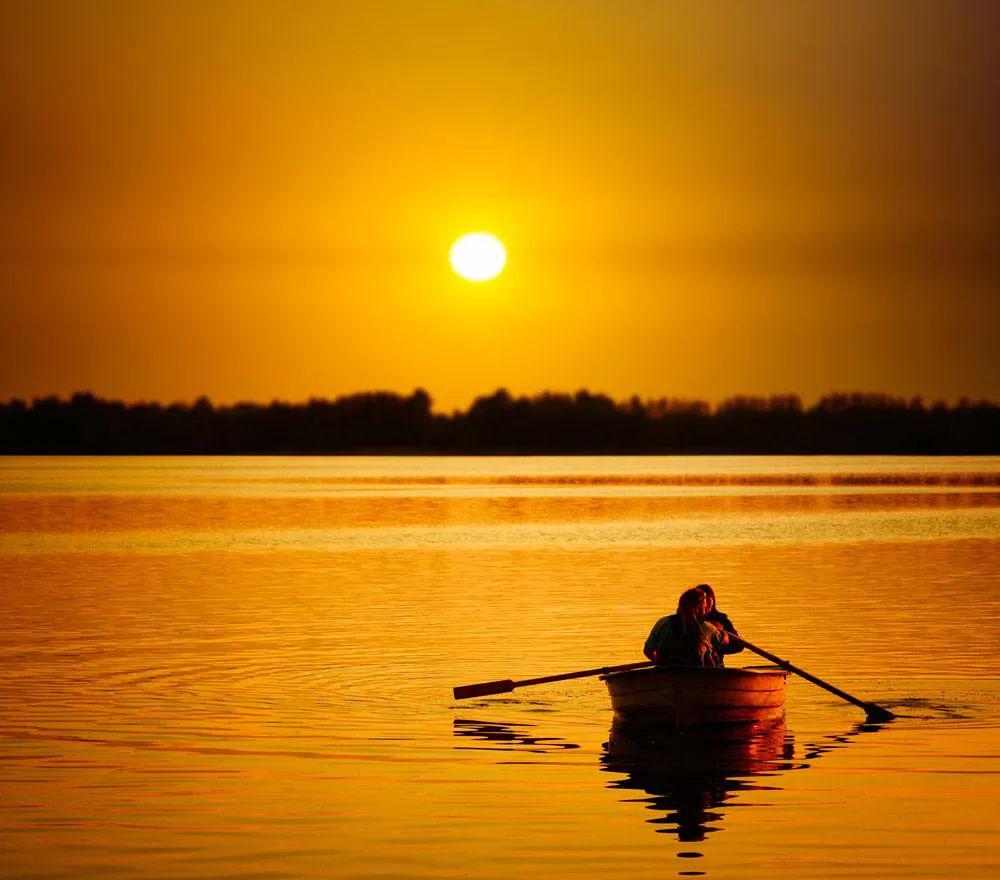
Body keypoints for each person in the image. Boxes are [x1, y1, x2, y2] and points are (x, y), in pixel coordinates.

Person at [643, 587, 728, 668]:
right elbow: (711, 664)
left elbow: (647, 651)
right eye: (705, 607)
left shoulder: (663, 623)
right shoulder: (708, 628)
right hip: (696, 679)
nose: (706, 610)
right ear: (699, 608)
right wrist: (722, 632)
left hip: (665, 676)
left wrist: (659, 663)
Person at [695, 583, 744, 667]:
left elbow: (739, 645)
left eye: (707, 600)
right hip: (693, 665)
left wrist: (719, 646)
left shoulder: (721, 619)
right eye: (702, 602)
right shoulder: (687, 619)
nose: (705, 605)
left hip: (715, 666)